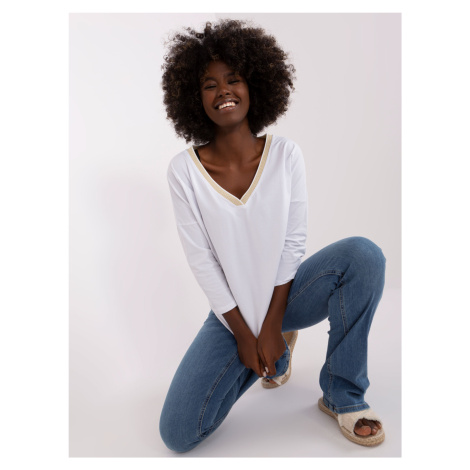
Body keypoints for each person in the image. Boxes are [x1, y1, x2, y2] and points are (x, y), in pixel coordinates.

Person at [159, 19, 386, 453]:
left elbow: (293, 242)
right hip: (232, 315)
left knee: (363, 255)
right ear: (193, 98)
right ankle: (273, 352)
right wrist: (247, 337)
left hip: (289, 295)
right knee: (178, 433)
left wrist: (272, 324)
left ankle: (343, 393)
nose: (223, 91)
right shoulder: (183, 171)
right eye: (209, 85)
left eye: (233, 79)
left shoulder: (285, 154)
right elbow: (202, 261)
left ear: (255, 84)